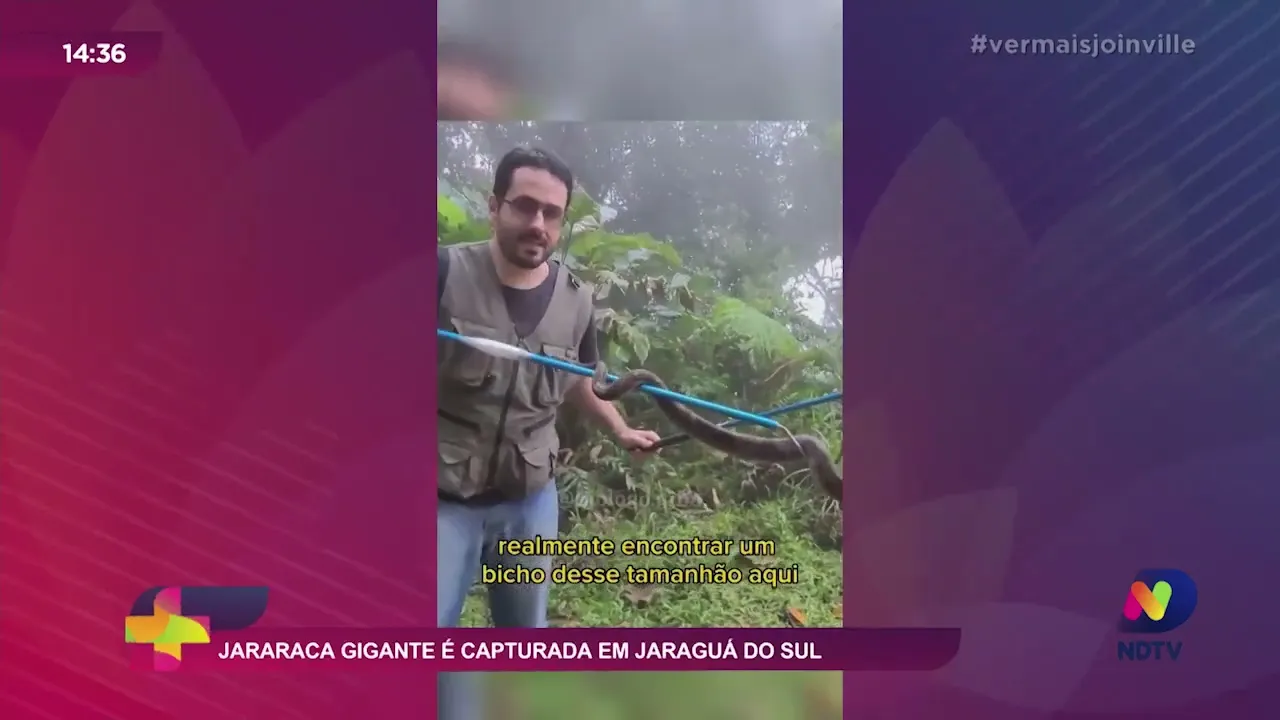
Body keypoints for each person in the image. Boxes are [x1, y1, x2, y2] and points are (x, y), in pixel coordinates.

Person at [436, 146, 661, 720]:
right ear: (495, 207)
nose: (538, 223)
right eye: (524, 206)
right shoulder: (442, 273)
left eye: (551, 213)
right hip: (443, 497)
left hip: (529, 496)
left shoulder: (577, 300)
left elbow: (581, 380)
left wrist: (621, 431)